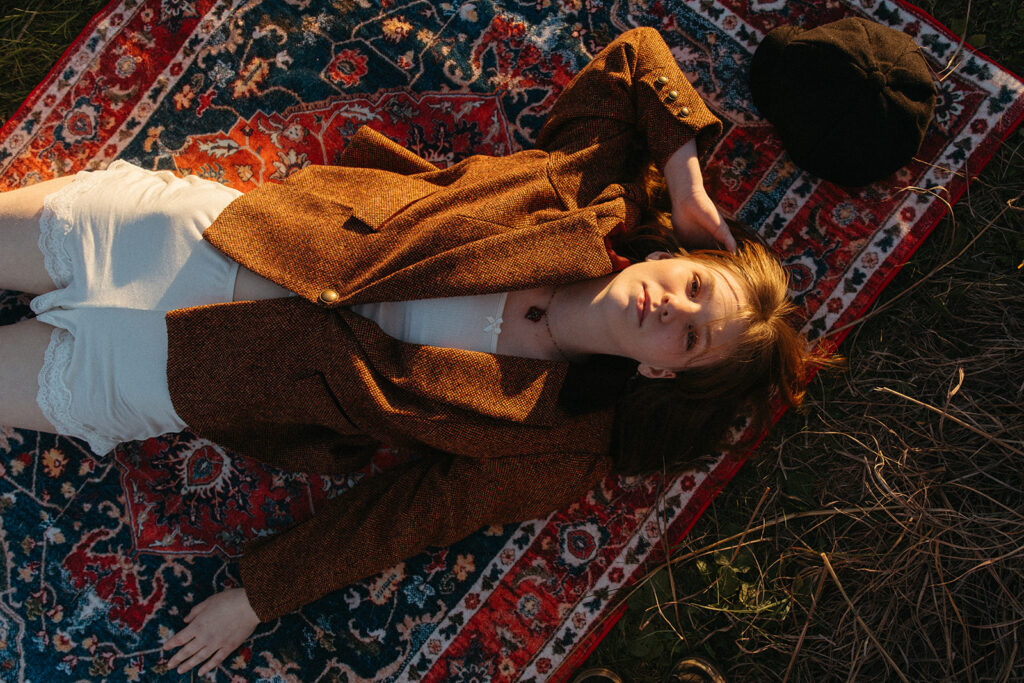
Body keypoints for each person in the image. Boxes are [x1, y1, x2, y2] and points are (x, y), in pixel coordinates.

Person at [0, 27, 814, 675]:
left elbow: (411, 513)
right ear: (679, 256)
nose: (674, 308)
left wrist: (259, 596)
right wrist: (685, 180)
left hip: (177, 376)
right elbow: (635, 56)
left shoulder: (560, 444)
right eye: (698, 288)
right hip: (200, 238)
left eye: (694, 337)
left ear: (665, 370)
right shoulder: (583, 192)